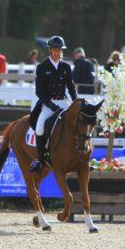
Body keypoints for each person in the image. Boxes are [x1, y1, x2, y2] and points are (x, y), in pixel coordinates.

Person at [28, 36, 78, 174]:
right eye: (55, 49)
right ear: (50, 50)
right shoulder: (42, 67)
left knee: (78, 121)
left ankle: (81, 157)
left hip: (64, 101)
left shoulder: (66, 67)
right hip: (48, 103)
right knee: (39, 128)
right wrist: (51, 106)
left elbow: (71, 88)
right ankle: (40, 159)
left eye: (59, 50)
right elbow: (39, 92)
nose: (57, 52)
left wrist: (76, 103)